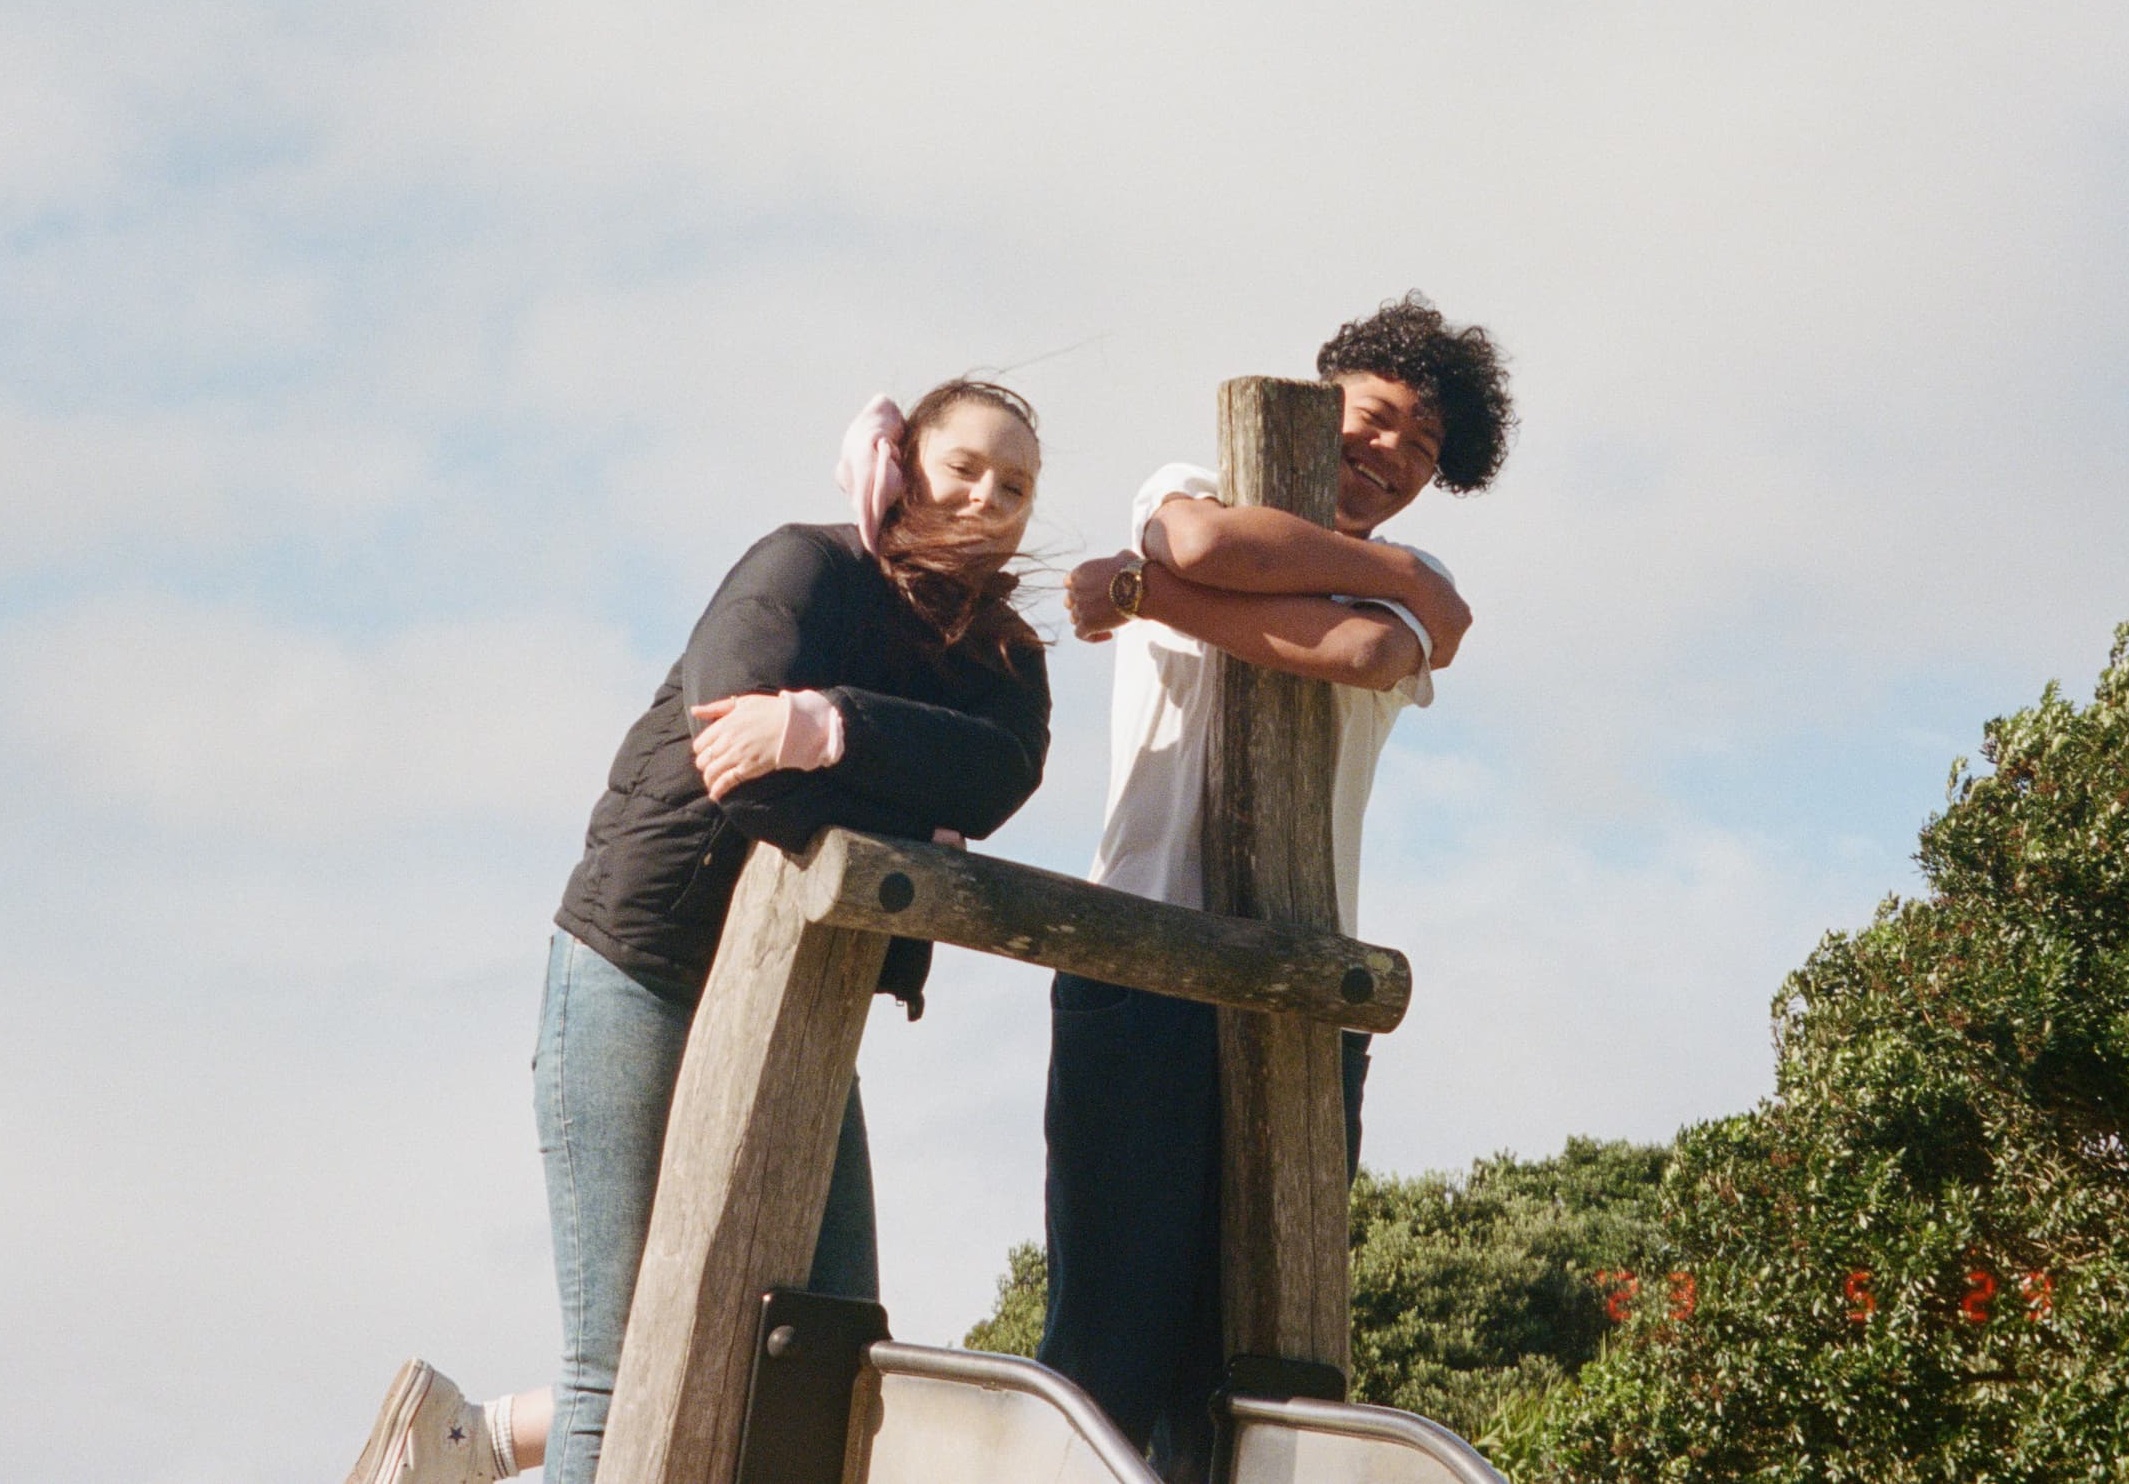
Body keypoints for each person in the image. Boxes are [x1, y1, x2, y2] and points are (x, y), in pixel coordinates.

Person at [342, 380, 1051, 1484]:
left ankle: (465, 1438)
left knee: (828, 1351)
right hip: (641, 960)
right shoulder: (802, 567)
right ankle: (472, 1442)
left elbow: (998, 771)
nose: (988, 497)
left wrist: (824, 727)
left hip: (800, 999)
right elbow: (734, 758)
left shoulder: (1005, 660)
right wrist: (909, 814)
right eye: (965, 466)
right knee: (622, 1358)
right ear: (903, 462)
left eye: (1015, 485)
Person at [1040, 293, 1515, 1481]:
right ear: (1321, 395)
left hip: (1307, 983)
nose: (1394, 456)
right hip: (1138, 958)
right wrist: (1374, 574)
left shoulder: (1417, 572)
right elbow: (1205, 544)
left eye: (1424, 449)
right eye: (1378, 417)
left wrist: (1139, 594)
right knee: (1106, 1347)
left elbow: (1358, 650)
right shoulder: (1188, 479)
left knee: (1264, 1361)